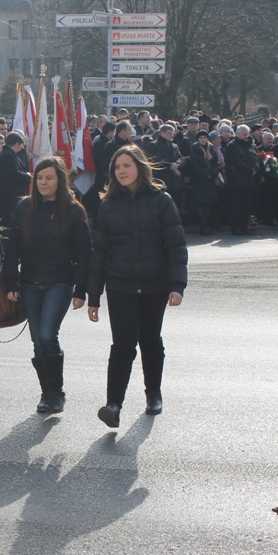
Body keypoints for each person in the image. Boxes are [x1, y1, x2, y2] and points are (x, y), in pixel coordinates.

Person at [87, 144, 187, 429]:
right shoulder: (107, 205)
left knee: (150, 340)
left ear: (139, 167)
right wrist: (93, 295)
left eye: (126, 165)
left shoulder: (161, 201)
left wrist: (177, 284)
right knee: (123, 344)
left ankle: (153, 393)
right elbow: (99, 254)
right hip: (120, 285)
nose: (121, 171)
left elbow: (176, 246)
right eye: (117, 167)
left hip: (154, 285)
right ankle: (113, 405)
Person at [2, 157, 91, 414]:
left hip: (60, 283)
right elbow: (12, 248)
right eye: (39, 178)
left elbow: (85, 253)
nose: (43, 182)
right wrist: (11, 280)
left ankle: (58, 393)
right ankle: (46, 393)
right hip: (29, 283)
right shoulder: (24, 208)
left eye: (49, 178)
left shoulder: (74, 210)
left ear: (60, 180)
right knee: (36, 341)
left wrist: (81, 290)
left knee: (46, 335)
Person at [224, 125, 258, 236]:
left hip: (248, 180)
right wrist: (249, 170)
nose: (246, 136)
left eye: (247, 134)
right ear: (237, 134)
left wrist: (255, 168)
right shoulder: (232, 146)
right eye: (244, 134)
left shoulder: (250, 146)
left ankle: (244, 226)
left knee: (246, 205)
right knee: (236, 205)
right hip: (237, 180)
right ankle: (235, 227)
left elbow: (255, 158)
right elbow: (235, 162)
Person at [0, 131, 31, 226]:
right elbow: (13, 174)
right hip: (9, 196)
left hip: (9, 194)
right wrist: (28, 176)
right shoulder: (8, 155)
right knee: (9, 222)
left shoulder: (8, 154)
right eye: (20, 144)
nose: (21, 147)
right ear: (16, 143)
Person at [188, 130, 220, 235]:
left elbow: (217, 164)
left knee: (209, 205)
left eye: (205, 138)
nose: (203, 139)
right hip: (199, 181)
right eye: (201, 138)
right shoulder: (194, 149)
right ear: (198, 139)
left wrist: (213, 173)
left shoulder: (211, 149)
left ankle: (207, 225)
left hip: (210, 182)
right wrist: (206, 174)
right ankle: (203, 227)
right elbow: (194, 165)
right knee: (200, 205)